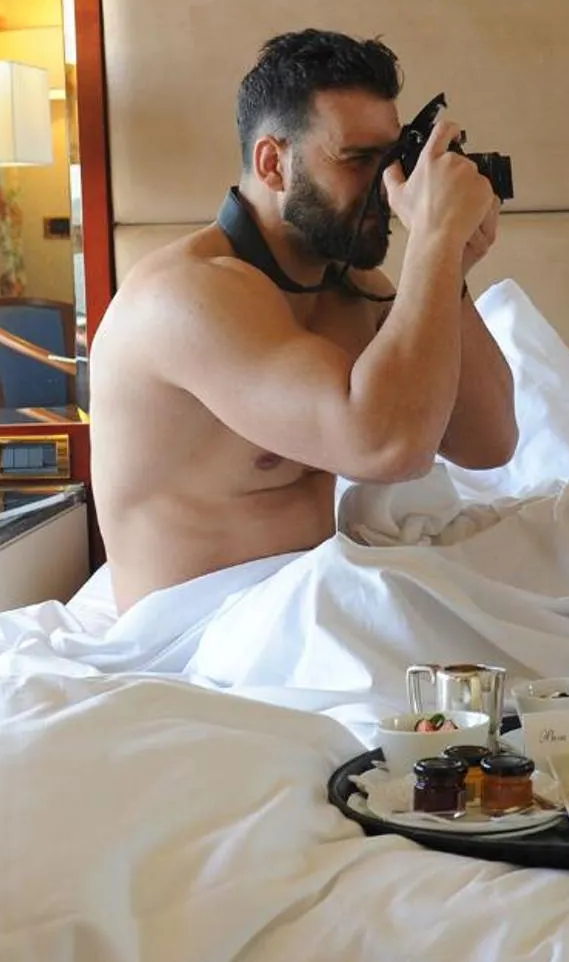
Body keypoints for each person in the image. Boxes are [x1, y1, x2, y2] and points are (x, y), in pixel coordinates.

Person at [88, 30, 516, 614]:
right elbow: (386, 448)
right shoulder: (187, 297)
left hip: (305, 617)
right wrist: (433, 243)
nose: (388, 188)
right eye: (358, 159)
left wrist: (451, 265)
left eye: (392, 160)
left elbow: (488, 442)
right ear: (273, 164)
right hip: (193, 638)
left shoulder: (354, 288)